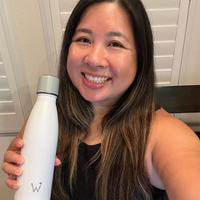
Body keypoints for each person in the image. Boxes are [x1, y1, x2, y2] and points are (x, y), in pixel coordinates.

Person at [2, 0, 200, 199]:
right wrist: (18, 167)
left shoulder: (165, 134)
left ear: (140, 58)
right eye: (84, 39)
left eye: (115, 43)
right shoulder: (48, 114)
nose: (94, 59)